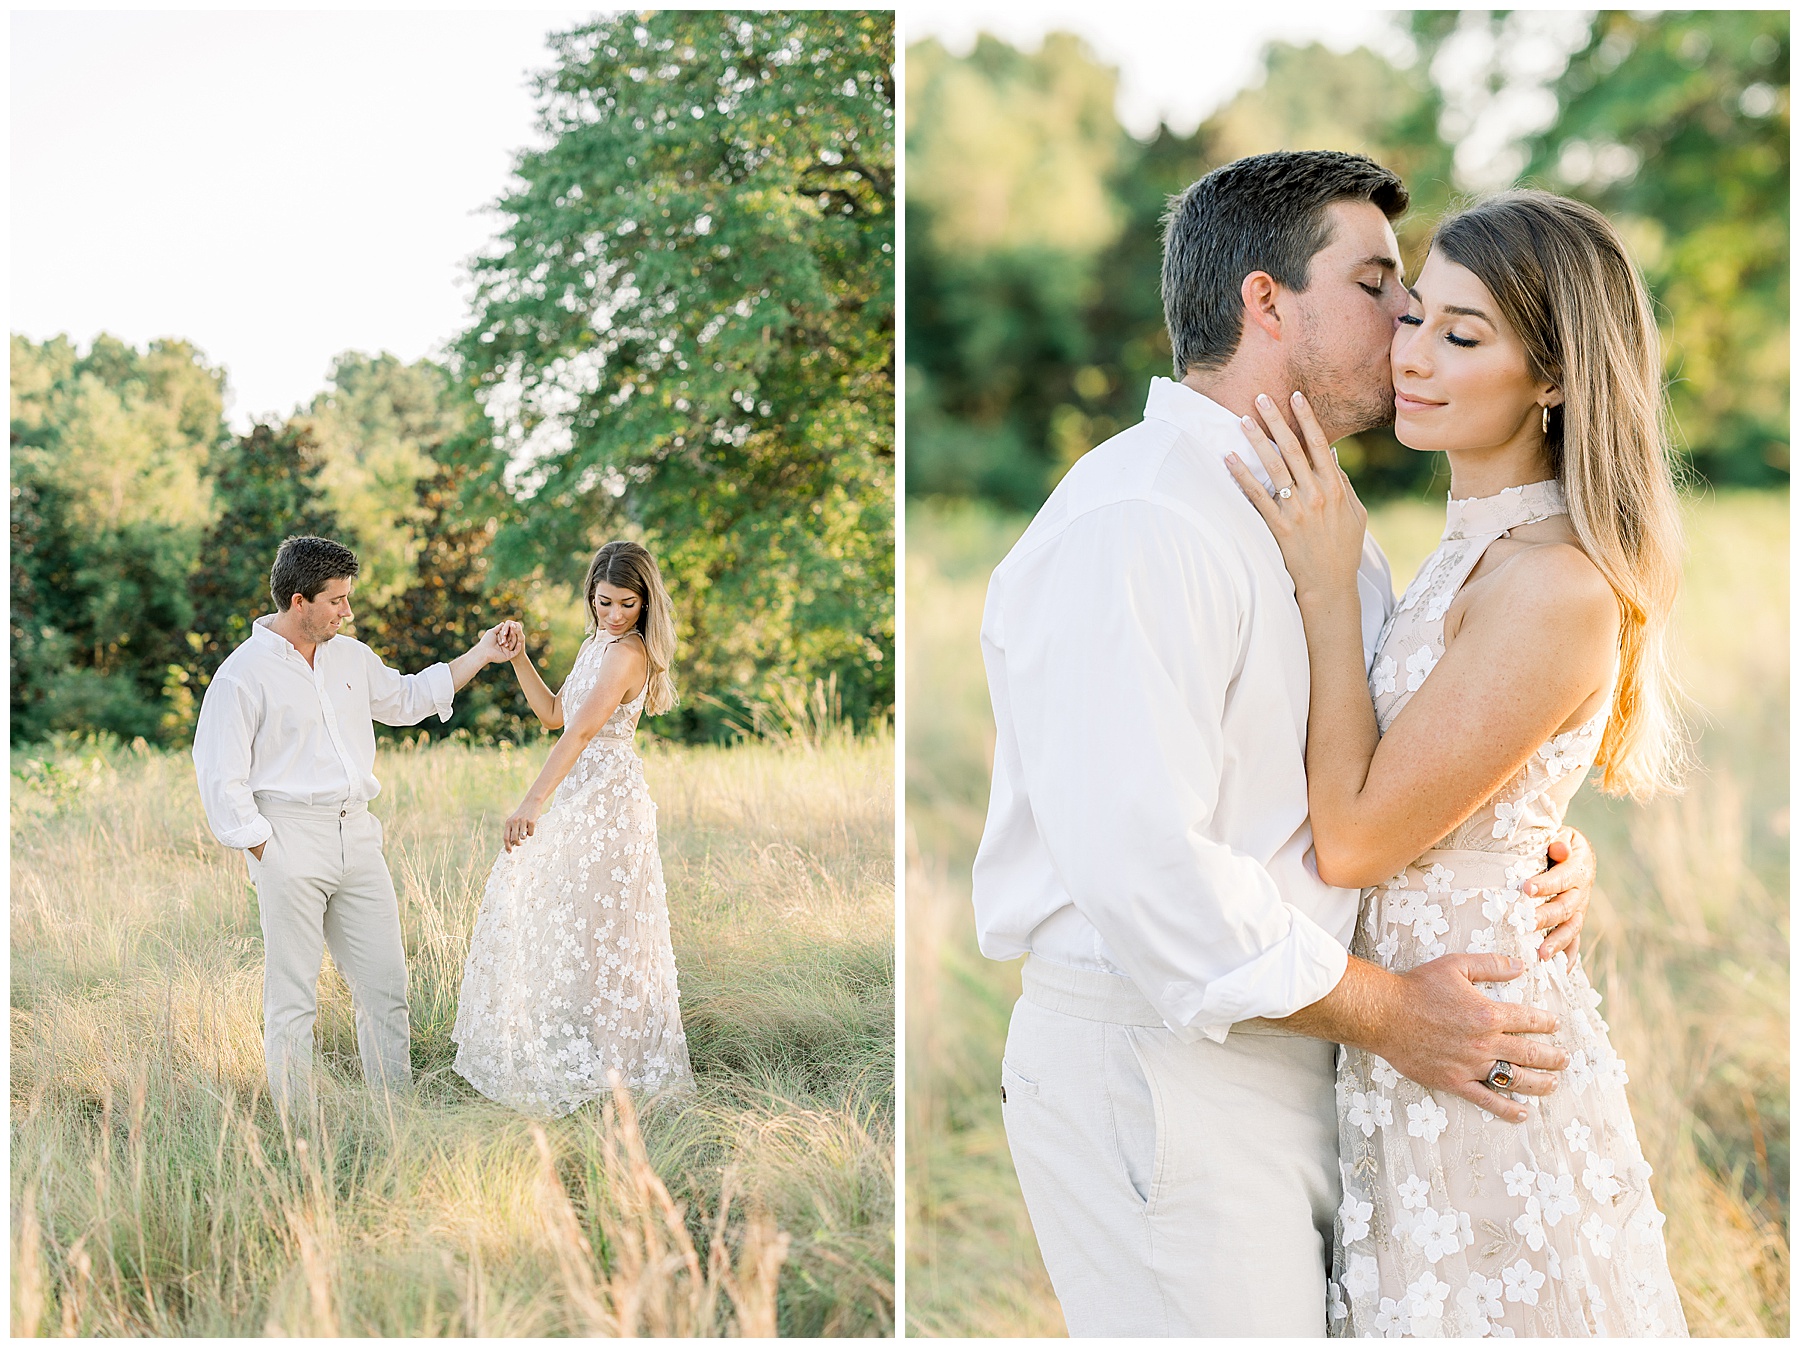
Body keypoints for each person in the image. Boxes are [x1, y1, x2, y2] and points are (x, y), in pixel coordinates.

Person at [971, 151, 1603, 1336]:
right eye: (1378, 284)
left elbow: (1371, 770)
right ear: (1267, 302)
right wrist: (1392, 1013)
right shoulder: (1141, 518)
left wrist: (1518, 847)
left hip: (1310, 1056)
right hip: (1166, 1057)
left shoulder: (1299, 507)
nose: (1410, 316)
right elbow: (1146, 869)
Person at [1226, 189, 1686, 1337]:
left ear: (1556, 377)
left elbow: (1364, 836)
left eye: (1463, 336)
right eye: (1416, 315)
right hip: (1411, 1049)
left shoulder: (1553, 582)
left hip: (1483, 1059)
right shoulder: (1464, 552)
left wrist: (1328, 588)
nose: (1413, 355)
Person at [192, 535, 516, 1118]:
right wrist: (265, 845)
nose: (348, 611)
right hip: (288, 839)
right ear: (299, 601)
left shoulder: (349, 656)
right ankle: (298, 1128)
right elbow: (220, 773)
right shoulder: (242, 674)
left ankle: (395, 1116)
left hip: (359, 837)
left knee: (385, 989)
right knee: (293, 998)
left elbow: (408, 698)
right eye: (337, 601)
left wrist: (482, 653)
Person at [450, 540, 694, 1115]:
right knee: (573, 925)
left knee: (611, 935)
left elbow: (580, 734)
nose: (613, 615)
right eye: (604, 602)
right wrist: (518, 659)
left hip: (611, 803)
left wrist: (532, 802)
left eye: (626, 605)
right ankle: (592, 1057)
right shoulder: (595, 645)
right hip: (581, 797)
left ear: (646, 604)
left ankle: (619, 1070)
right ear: (591, 596)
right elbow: (554, 715)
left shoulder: (628, 653)